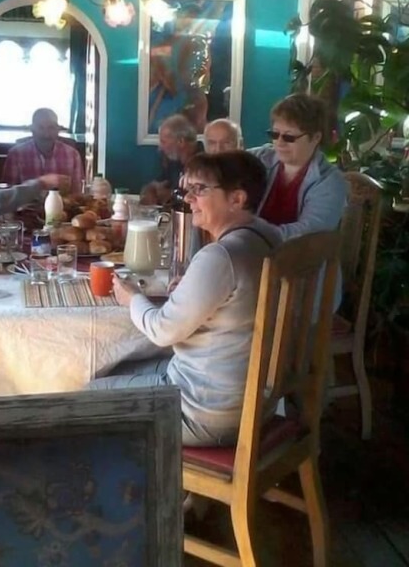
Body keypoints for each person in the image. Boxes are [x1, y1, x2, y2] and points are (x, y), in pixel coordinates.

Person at [89, 151, 281, 447]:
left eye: (200, 189)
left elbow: (162, 331)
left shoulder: (221, 256)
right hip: (254, 403)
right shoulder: (268, 236)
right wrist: (193, 286)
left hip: (205, 413)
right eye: (188, 188)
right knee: (113, 367)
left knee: (87, 395)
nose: (189, 198)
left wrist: (132, 297)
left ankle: (132, 471)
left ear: (237, 199)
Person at [250, 93, 347, 238]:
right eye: (274, 134)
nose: (279, 142)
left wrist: (249, 236)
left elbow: (308, 234)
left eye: (289, 137)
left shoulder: (330, 181)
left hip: (297, 252)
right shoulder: (260, 157)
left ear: (316, 138)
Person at [2, 108, 84, 194]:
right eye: (40, 128)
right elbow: (8, 194)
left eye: (51, 128)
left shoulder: (73, 155)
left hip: (63, 202)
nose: (46, 134)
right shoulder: (16, 155)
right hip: (27, 202)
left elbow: (78, 192)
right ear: (32, 129)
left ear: (58, 129)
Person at [140, 114, 204, 205]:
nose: (160, 148)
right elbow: (155, 185)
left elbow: (200, 200)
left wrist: (171, 195)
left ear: (181, 142)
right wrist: (150, 191)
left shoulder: (205, 163)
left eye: (163, 142)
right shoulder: (173, 161)